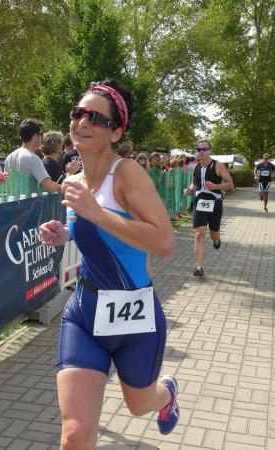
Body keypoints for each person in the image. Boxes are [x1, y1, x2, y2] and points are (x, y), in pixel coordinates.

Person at [39, 80, 180, 447]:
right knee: (75, 433)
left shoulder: (127, 172)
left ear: (116, 132)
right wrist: (64, 233)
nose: (82, 122)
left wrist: (97, 213)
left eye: (96, 118)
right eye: (78, 113)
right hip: (85, 313)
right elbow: (96, 232)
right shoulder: (73, 180)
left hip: (134, 317)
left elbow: (164, 242)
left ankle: (166, 394)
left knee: (139, 405)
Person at [183, 140, 234, 277]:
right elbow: (195, 183)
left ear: (210, 150)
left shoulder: (218, 165)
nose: (201, 152)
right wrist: (189, 190)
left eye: (204, 149)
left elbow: (230, 184)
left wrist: (215, 186)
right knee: (199, 234)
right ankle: (199, 267)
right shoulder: (196, 166)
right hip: (200, 202)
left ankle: (216, 239)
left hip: (215, 202)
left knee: (213, 233)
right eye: (199, 149)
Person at [3, 118, 60, 193]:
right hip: (31, 200)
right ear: (35, 136)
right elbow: (51, 187)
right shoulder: (33, 158)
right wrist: (65, 187)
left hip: (14, 200)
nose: (41, 137)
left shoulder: (9, 158)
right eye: (41, 134)